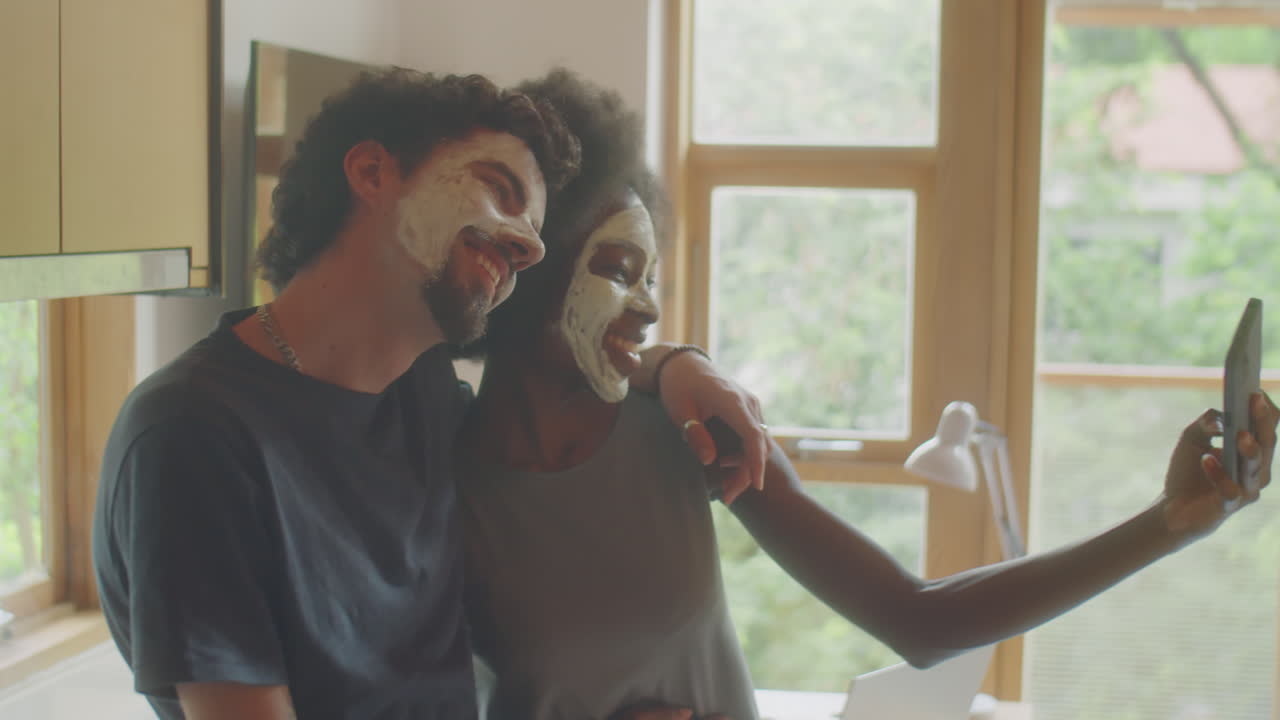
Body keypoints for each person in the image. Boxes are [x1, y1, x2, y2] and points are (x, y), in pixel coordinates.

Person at [455, 69, 1280, 720]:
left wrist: (1166, 524)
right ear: (524, 263)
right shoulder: (441, 476)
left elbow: (920, 620)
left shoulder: (686, 427)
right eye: (616, 270)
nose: (647, 308)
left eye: (652, 279)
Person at [92, 68, 768, 720]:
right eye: (500, 189)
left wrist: (677, 365)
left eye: (536, 230)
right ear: (372, 172)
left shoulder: (422, 394)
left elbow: (562, 365)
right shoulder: (191, 432)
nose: (528, 247)